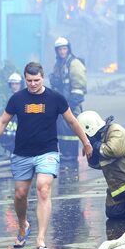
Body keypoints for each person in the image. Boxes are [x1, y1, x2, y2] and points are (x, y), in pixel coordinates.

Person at [0, 62, 93, 249]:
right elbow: (2, 121)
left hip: (47, 152)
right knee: (20, 195)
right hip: (22, 153)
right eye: (29, 81)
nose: (32, 84)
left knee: (43, 189)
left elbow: (72, 121)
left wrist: (86, 142)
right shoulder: (17, 99)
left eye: (36, 80)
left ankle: (41, 239)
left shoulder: (55, 98)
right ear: (25, 80)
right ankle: (22, 225)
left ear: (43, 78)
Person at [50, 37, 87, 165]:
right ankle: (65, 155)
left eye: (64, 48)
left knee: (70, 130)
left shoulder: (74, 63)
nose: (62, 51)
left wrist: (70, 104)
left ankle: (71, 156)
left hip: (71, 104)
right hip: (60, 105)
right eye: (59, 49)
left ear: (68, 49)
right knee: (61, 131)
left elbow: (79, 86)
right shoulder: (58, 64)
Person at [0, 73, 23, 154]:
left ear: (21, 84)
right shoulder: (11, 97)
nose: (14, 86)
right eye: (12, 84)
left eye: (17, 84)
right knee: (2, 135)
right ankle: (14, 152)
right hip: (13, 124)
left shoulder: (24, 96)